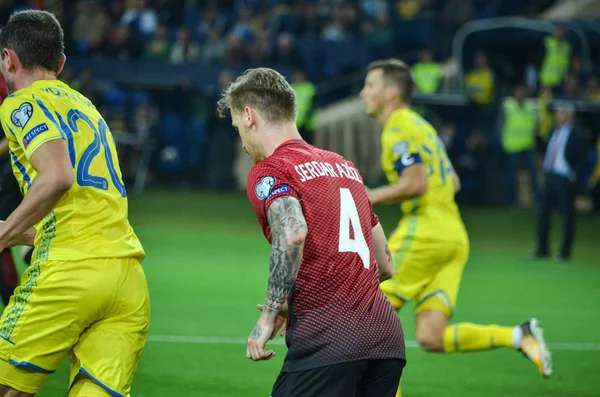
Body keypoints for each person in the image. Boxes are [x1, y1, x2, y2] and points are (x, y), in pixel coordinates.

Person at [359, 59, 552, 396]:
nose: (364, 92)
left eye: (371, 85)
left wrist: (365, 196)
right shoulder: (424, 127)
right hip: (454, 234)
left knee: (366, 317)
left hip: (427, 230)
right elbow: (455, 181)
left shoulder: (398, 126)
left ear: (391, 93)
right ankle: (519, 336)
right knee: (431, 336)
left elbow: (415, 183)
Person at [218, 67, 406, 397]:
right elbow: (385, 265)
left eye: (237, 128)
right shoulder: (344, 166)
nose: (243, 143)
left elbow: (292, 233)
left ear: (249, 116)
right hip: (386, 339)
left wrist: (269, 316)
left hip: (327, 342)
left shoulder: (272, 170)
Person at [0, 10, 150, 397]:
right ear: (61, 63)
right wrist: (23, 234)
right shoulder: (87, 109)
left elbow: (58, 177)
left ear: (8, 59)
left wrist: (4, 231)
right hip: (127, 279)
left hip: (69, 272)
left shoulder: (21, 104)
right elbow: (87, 205)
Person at [533, 103, 589, 262]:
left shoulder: (578, 133)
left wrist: (574, 176)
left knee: (567, 215)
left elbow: (581, 158)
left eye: (560, 113)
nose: (557, 115)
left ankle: (564, 252)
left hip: (565, 177)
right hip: (550, 176)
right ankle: (542, 249)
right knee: (543, 212)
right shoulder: (554, 131)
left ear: (568, 115)